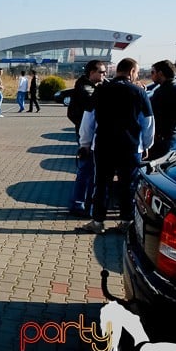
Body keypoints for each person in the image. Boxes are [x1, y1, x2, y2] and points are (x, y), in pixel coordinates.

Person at [79, 58, 154, 234]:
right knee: (127, 185)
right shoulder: (139, 92)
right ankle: (126, 222)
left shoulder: (101, 90)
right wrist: (146, 145)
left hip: (104, 146)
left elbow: (88, 119)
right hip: (130, 147)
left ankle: (97, 222)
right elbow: (148, 122)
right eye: (136, 72)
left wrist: (85, 143)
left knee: (101, 184)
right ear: (132, 72)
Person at [68, 60, 106, 217]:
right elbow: (80, 115)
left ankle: (80, 203)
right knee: (87, 170)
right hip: (87, 137)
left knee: (87, 170)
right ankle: (78, 204)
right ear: (92, 73)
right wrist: (84, 134)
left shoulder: (89, 87)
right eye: (101, 72)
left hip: (87, 135)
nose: (104, 75)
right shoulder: (86, 90)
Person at [148, 60, 176, 160]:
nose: (151, 75)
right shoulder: (161, 89)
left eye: (153, 72)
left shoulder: (174, 89)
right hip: (158, 138)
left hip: (163, 139)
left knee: (158, 167)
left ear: (160, 73)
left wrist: (160, 134)